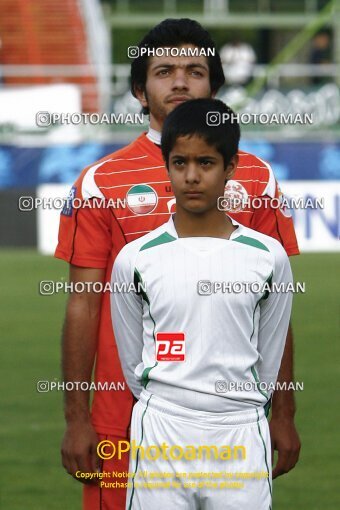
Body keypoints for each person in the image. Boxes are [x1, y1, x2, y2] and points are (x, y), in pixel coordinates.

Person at [55, 18, 300, 510]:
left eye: (195, 70)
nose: (182, 81)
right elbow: (83, 305)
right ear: (140, 91)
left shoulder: (256, 176)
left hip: (233, 414)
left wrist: (284, 410)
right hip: (125, 412)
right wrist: (77, 417)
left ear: (215, 85)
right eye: (164, 71)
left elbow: (275, 309)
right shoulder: (100, 180)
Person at [111, 98, 293, 510]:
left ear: (230, 167)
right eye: (180, 163)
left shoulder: (267, 256)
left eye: (206, 163)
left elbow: (269, 355)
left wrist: (241, 404)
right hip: (162, 430)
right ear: (167, 165)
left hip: (240, 432)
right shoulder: (136, 258)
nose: (191, 177)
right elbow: (133, 364)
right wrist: (173, 401)